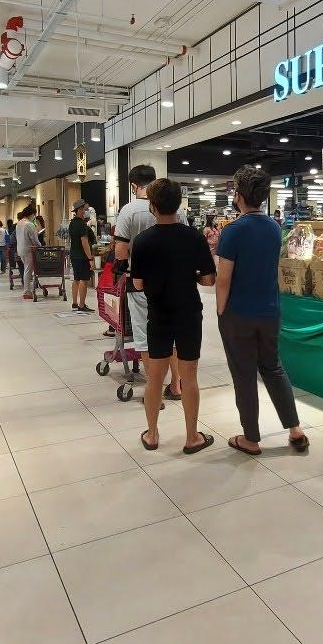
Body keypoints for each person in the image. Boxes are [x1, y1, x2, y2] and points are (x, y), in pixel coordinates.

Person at [215, 166, 306, 455]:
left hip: (239, 312)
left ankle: (251, 439)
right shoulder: (275, 227)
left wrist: (220, 311)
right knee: (273, 367)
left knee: (244, 374)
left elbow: (223, 278)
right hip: (270, 310)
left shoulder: (233, 231)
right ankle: (295, 429)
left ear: (239, 196)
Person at [130, 179, 216, 453]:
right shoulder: (194, 237)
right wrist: (190, 276)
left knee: (155, 378)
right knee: (189, 377)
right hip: (189, 313)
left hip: (158, 314)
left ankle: (152, 434)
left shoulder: (142, 241)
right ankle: (192, 437)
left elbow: (138, 284)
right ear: (179, 204)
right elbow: (209, 280)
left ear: (152, 206)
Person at [115, 164, 188, 401]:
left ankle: (154, 391)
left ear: (133, 185)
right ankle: (176, 386)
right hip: (173, 284)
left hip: (141, 283)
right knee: (172, 335)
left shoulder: (128, 211)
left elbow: (120, 252)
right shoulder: (177, 210)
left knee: (145, 337)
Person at [68, 199, 96, 312]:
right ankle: (82, 305)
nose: (87, 211)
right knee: (84, 280)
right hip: (82, 256)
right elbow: (84, 242)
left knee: (76, 279)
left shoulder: (72, 223)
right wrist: (90, 258)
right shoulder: (82, 224)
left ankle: (75, 302)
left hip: (74, 254)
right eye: (85, 209)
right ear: (79, 210)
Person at [15, 209, 40, 300]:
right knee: (28, 270)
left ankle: (27, 290)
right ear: (31, 214)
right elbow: (34, 239)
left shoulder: (19, 223)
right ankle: (27, 292)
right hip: (29, 250)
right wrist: (40, 246)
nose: (34, 217)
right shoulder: (29, 224)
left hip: (20, 249)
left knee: (27, 269)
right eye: (34, 215)